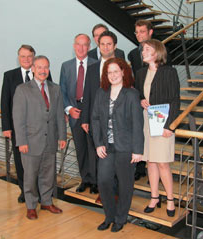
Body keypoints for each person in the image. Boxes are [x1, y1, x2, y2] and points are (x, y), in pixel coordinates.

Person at [91, 58, 144, 232]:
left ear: (123, 72)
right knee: (104, 180)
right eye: (109, 72)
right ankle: (109, 216)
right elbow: (96, 119)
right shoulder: (101, 93)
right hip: (107, 147)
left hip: (126, 148)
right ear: (106, 75)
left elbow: (138, 123)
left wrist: (138, 150)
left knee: (125, 184)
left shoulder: (131, 94)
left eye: (116, 71)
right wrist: (98, 144)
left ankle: (121, 218)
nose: (113, 75)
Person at [12, 55, 66, 220]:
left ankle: (47, 202)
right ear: (33, 69)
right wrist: (21, 141)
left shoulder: (55, 89)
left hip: (50, 140)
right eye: (40, 67)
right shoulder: (22, 89)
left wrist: (62, 136)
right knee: (30, 176)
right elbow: (18, 118)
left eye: (46, 67)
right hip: (30, 142)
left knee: (48, 175)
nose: (43, 71)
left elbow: (59, 115)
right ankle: (31, 206)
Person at [0, 45, 52, 203]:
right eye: (23, 56)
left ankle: (41, 194)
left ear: (34, 57)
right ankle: (25, 192)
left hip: (40, 131)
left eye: (29, 56)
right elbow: (5, 103)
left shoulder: (44, 74)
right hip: (19, 129)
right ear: (18, 57)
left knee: (40, 164)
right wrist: (6, 127)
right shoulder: (9, 76)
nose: (26, 59)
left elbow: (50, 100)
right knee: (21, 163)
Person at [135, 39, 180, 217]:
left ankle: (170, 199)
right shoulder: (140, 73)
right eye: (143, 50)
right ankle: (154, 197)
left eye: (147, 49)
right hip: (146, 121)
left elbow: (175, 99)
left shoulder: (169, 72)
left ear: (157, 52)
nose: (143, 52)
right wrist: (140, 100)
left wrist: (170, 126)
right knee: (150, 162)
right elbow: (139, 94)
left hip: (163, 123)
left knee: (162, 163)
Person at [81, 31, 119, 202]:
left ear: (115, 46)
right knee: (100, 155)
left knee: (116, 156)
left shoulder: (122, 67)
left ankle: (115, 191)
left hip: (116, 120)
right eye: (102, 44)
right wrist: (85, 119)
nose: (105, 47)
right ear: (99, 46)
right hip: (96, 120)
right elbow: (87, 95)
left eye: (109, 44)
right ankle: (104, 192)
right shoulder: (92, 68)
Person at [59, 34, 98, 193]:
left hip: (91, 111)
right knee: (81, 149)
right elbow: (62, 91)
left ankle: (95, 181)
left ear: (89, 47)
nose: (81, 48)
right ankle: (85, 179)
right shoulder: (66, 66)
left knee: (93, 148)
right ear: (74, 46)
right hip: (74, 111)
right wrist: (68, 109)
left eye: (85, 45)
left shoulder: (96, 65)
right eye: (78, 44)